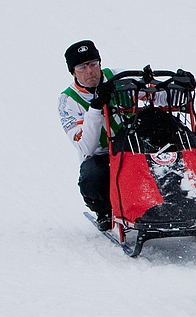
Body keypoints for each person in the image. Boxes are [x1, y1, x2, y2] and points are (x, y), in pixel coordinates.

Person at [58, 40, 117, 230]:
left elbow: (153, 93)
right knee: (92, 176)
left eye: (93, 64)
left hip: (133, 147)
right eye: (82, 66)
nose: (90, 71)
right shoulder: (68, 100)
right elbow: (86, 147)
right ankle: (104, 211)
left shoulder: (116, 77)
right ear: (73, 72)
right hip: (101, 156)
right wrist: (95, 109)